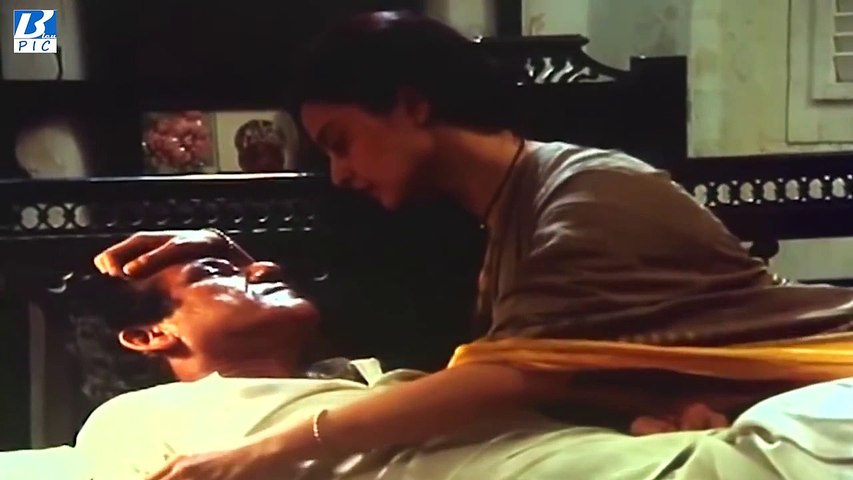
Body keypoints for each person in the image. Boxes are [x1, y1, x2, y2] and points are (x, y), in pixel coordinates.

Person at [92, 10, 853, 479]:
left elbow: (506, 377)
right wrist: (219, 245)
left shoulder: (584, 195)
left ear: (411, 106)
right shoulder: (501, 216)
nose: (341, 173)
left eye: (341, 142)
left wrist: (266, 451)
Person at [2, 255, 849, 480]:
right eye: (222, 271)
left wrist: (640, 417)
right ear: (147, 336)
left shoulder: (380, 384)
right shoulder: (139, 423)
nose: (262, 268)